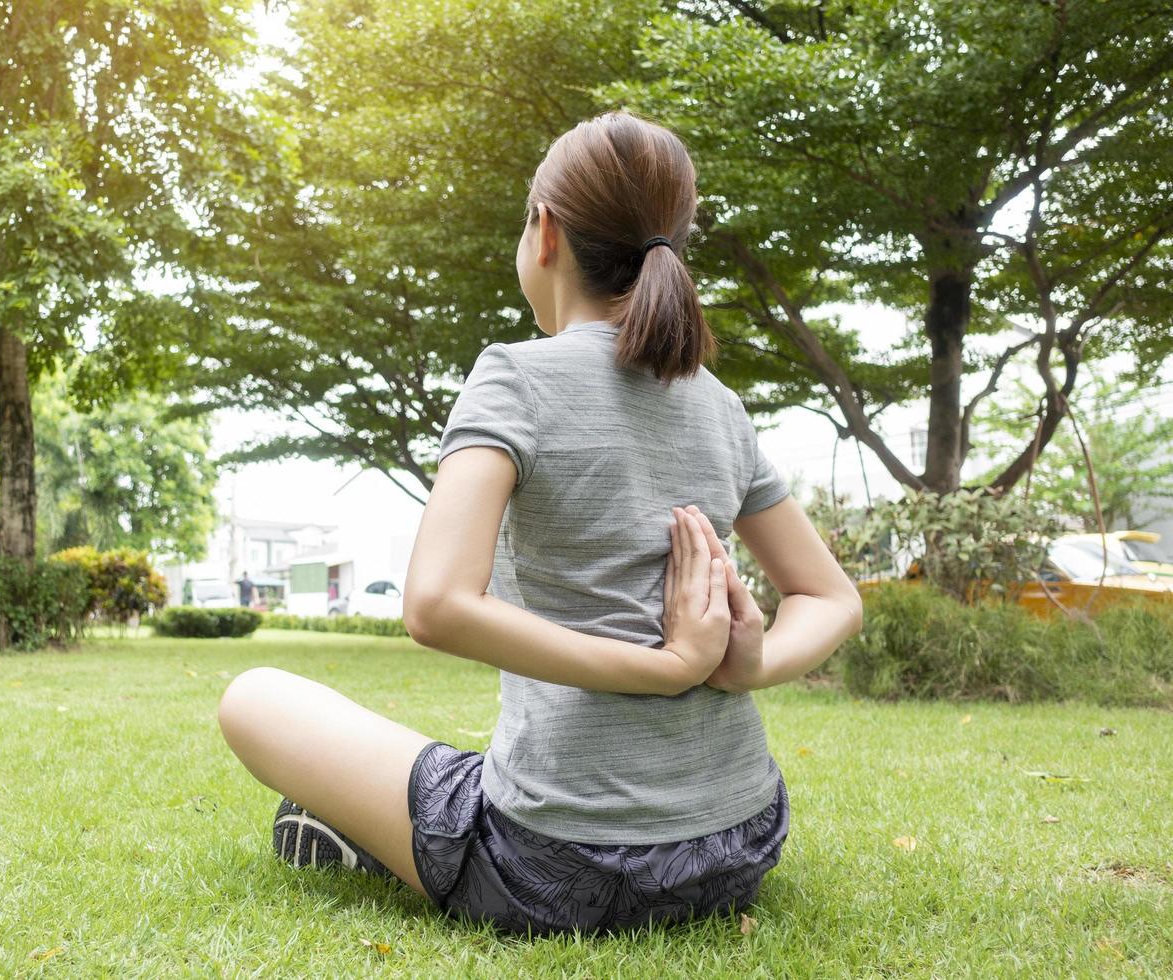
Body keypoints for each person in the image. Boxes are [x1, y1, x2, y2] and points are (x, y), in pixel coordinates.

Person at [217, 109, 863, 937]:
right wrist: (751, 664)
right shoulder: (719, 404)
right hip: (736, 847)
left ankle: (373, 840)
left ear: (544, 232)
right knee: (467, 762)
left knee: (255, 695)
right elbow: (831, 597)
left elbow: (436, 605)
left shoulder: (512, 379)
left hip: (554, 868)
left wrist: (668, 669)